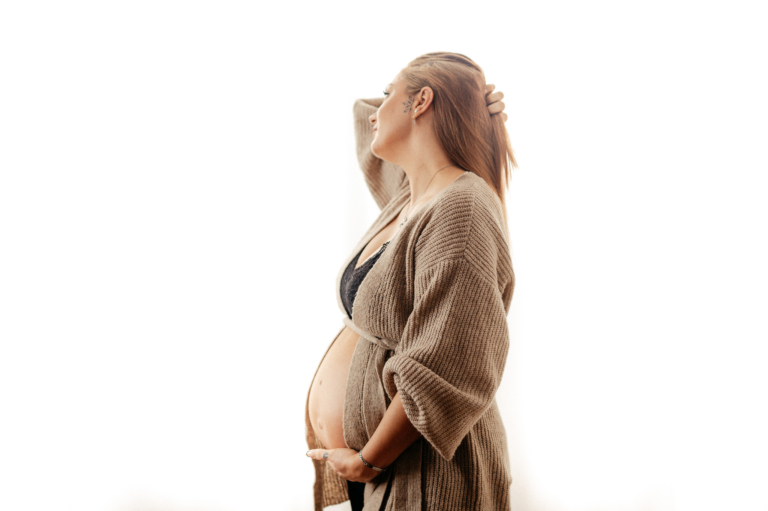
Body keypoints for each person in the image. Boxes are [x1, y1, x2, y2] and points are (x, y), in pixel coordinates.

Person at [305, 51, 516, 511]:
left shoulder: (461, 208)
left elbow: (449, 359)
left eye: (388, 94)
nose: (376, 110)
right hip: (388, 469)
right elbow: (367, 120)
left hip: (421, 473)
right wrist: (473, 108)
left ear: (421, 102)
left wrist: (370, 460)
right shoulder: (409, 197)